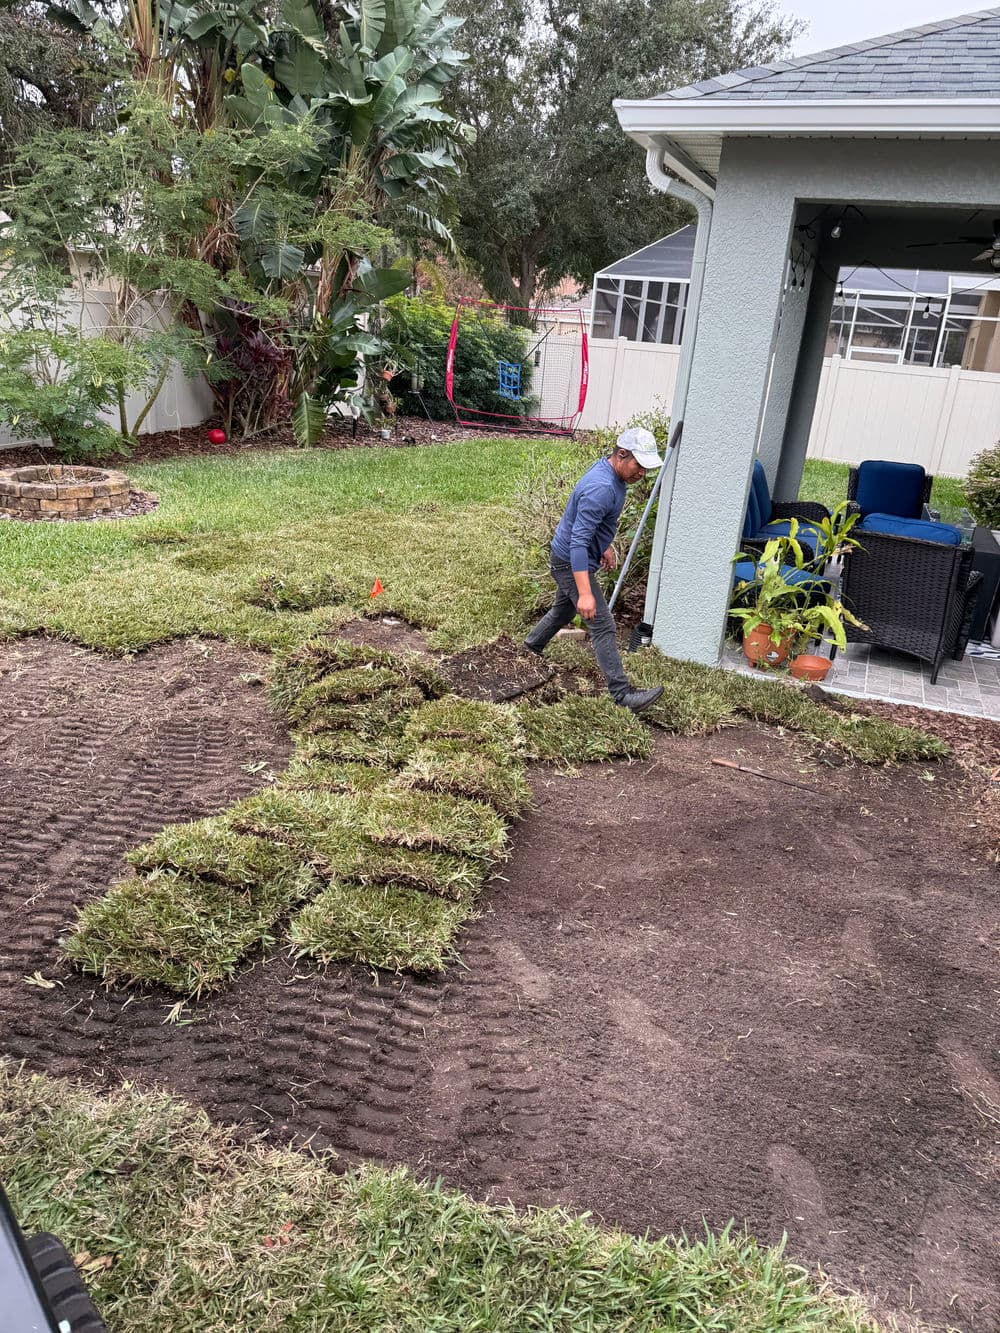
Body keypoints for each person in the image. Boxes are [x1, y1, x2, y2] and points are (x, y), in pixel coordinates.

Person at [524, 426, 665, 713]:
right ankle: (623, 695)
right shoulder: (601, 487)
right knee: (603, 624)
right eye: (640, 465)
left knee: (563, 611)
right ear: (622, 454)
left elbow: (588, 524)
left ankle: (530, 648)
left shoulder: (611, 474)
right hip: (569, 561)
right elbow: (578, 542)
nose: (643, 474)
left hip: (572, 555)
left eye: (648, 468)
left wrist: (604, 544)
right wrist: (585, 593)